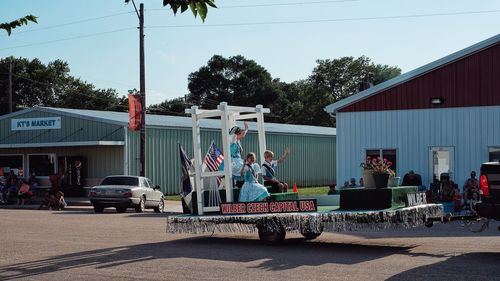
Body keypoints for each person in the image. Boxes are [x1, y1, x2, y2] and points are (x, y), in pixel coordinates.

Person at [228, 122, 249, 188]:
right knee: (244, 167)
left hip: (237, 159)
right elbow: (242, 135)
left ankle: (241, 184)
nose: (241, 133)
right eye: (239, 132)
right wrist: (246, 128)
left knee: (248, 166)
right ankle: (239, 184)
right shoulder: (232, 137)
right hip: (232, 160)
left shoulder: (237, 141)